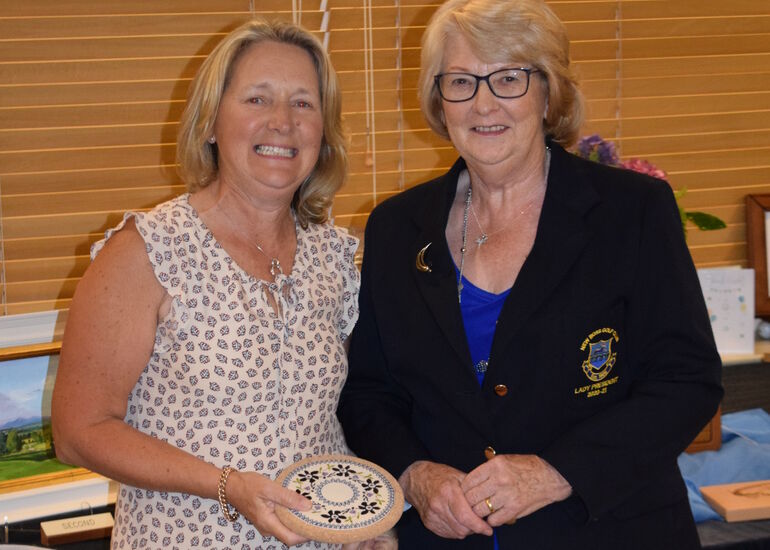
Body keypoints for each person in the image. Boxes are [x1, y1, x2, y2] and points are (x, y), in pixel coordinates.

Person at [337, 0, 723, 548]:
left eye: (508, 78)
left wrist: (555, 473)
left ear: (548, 92)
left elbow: (687, 382)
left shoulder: (632, 211)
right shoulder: (397, 227)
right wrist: (415, 475)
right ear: (438, 99)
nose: (483, 103)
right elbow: (369, 393)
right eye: (461, 81)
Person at [52, 18, 361, 549]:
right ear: (212, 122)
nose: (283, 122)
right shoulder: (147, 251)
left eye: (303, 104)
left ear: (324, 132)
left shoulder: (336, 258)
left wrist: (363, 519)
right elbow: (79, 432)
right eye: (257, 99)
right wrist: (227, 486)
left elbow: (333, 419)